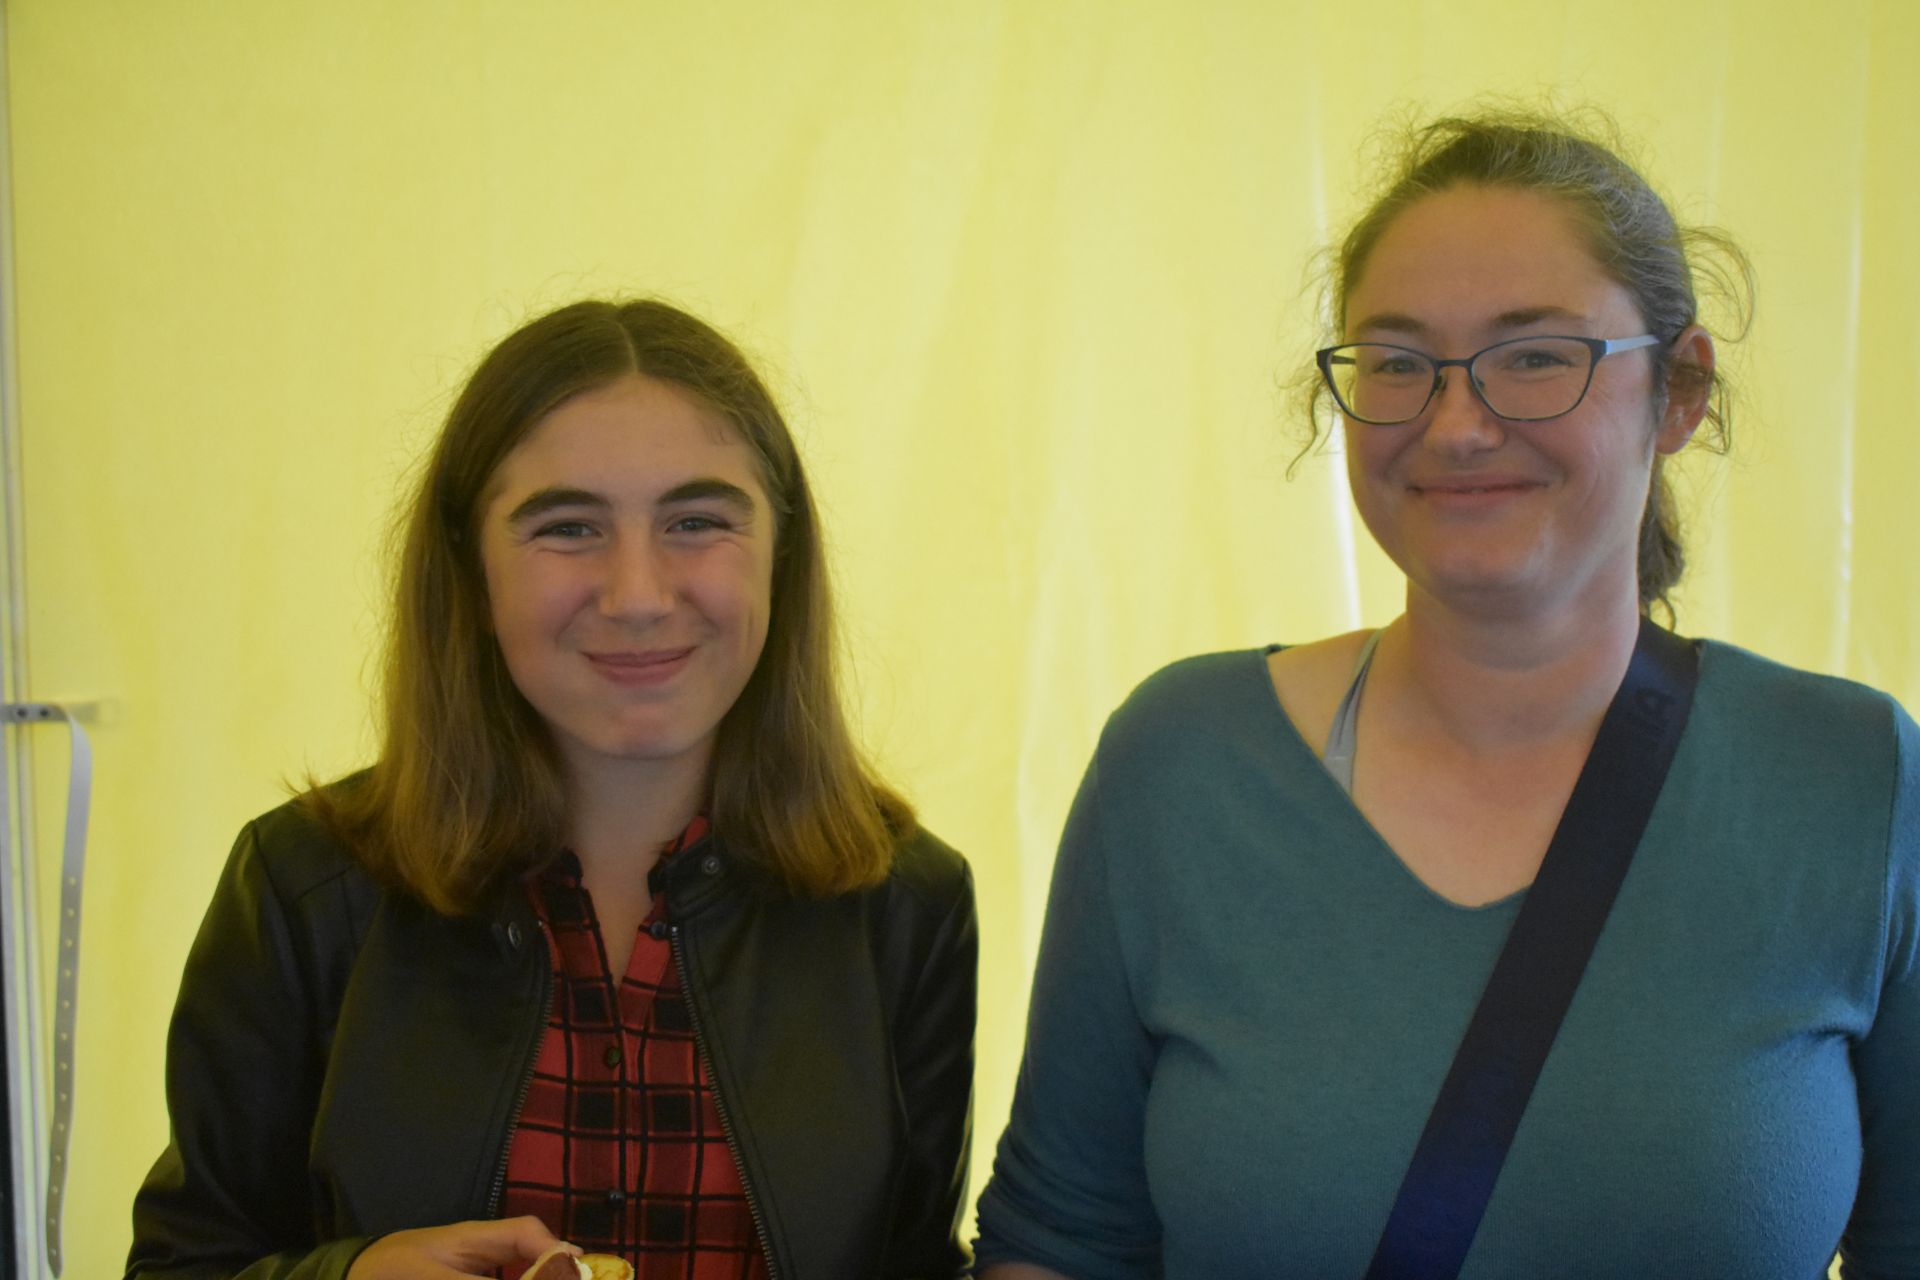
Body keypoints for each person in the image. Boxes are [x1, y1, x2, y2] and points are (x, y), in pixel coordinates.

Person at [973, 108, 1919, 1278]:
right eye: (1398, 363)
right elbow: (1060, 1237)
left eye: (1537, 356)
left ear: (1678, 390)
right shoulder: (1181, 764)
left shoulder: (1853, 777)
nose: (1458, 424)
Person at [128, 299, 977, 1280]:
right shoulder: (303, 889)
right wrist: (344, 1277)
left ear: (782, 556)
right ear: (470, 574)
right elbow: (181, 1265)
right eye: (568, 527)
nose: (639, 594)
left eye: (696, 521)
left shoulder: (905, 906)